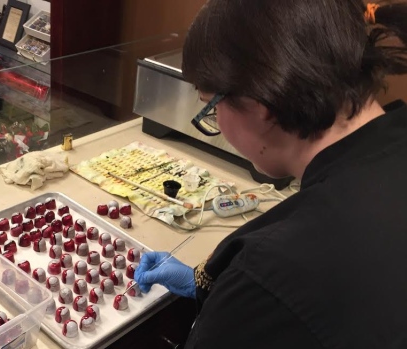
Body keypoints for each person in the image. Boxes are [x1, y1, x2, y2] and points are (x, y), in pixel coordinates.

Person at [134, 1, 407, 348]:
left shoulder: (266, 274)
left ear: (261, 106)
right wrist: (210, 284)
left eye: (210, 107)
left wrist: (240, 297)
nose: (215, 121)